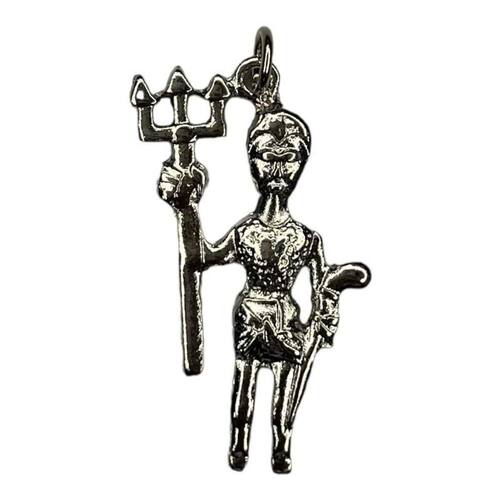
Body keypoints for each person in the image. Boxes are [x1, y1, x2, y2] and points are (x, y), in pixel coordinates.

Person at [158, 108, 369, 473]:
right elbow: (200, 258)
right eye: (268, 158)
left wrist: (333, 292)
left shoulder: (307, 239)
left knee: (284, 397)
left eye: (288, 159)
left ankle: (281, 445)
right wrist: (185, 208)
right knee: (243, 387)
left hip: (287, 322)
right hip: (250, 316)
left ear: (301, 165)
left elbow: (321, 290)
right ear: (252, 162)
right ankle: (238, 445)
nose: (277, 169)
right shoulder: (246, 233)